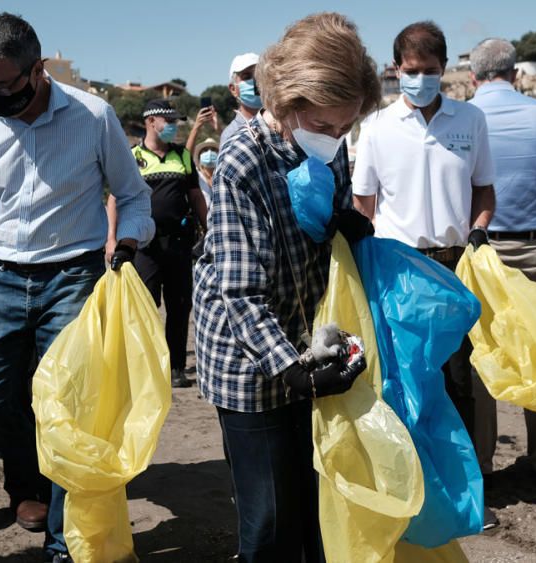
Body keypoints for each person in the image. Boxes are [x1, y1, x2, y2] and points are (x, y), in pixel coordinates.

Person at [0, 13, 154, 560]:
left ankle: (64, 544)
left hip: (73, 278)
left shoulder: (93, 115)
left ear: (38, 70)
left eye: (2, 85)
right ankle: (31, 470)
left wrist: (124, 246)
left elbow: (132, 196)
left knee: (72, 414)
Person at [193, 12, 377, 560]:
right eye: (327, 127)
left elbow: (332, 221)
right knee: (270, 519)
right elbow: (240, 293)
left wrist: (346, 226)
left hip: (312, 344)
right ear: (289, 105)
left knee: (320, 505)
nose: (336, 139)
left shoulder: (328, 143)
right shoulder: (240, 160)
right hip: (251, 365)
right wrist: (291, 369)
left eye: (346, 129)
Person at [352, 20, 494, 481]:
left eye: (429, 69)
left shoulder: (471, 120)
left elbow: (484, 191)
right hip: (399, 268)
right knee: (407, 375)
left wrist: (479, 230)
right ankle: (416, 479)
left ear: (445, 68)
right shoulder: (376, 126)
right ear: (396, 69)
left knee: (459, 380)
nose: (420, 77)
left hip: (456, 266)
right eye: (411, 69)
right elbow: (363, 203)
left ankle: (463, 479)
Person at [467, 38, 536, 482]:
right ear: (516, 74)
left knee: (483, 357)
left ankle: (480, 463)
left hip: (479, 252)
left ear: (474, 76)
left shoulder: (462, 120)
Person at [111, 98, 206, 388]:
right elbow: (115, 198)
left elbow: (195, 196)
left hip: (178, 243)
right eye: (169, 121)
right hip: (144, 245)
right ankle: (147, 366)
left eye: (177, 122)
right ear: (151, 121)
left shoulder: (182, 155)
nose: (174, 127)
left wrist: (210, 226)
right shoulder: (132, 155)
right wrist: (112, 239)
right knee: (146, 306)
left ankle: (176, 367)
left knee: (179, 307)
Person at [220, 51, 261, 146]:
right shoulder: (230, 135)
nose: (255, 81)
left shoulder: (282, 122)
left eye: (259, 75)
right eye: (247, 76)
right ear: (233, 89)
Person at [193, 136, 219, 210]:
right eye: (205, 150)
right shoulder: (196, 175)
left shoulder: (221, 176)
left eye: (213, 150)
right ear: (199, 155)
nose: (209, 152)